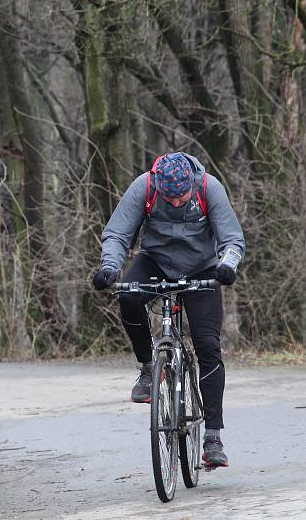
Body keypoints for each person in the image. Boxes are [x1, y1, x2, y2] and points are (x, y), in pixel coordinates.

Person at [92, 151, 245, 468]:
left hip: (202, 269)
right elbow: (118, 233)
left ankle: (213, 437)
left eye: (181, 197)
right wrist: (109, 267)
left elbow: (232, 239)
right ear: (159, 187)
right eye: (169, 198)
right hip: (156, 261)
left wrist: (228, 265)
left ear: (191, 183)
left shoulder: (209, 188)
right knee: (129, 298)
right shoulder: (144, 188)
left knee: (207, 346)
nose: (175, 203)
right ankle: (149, 368)